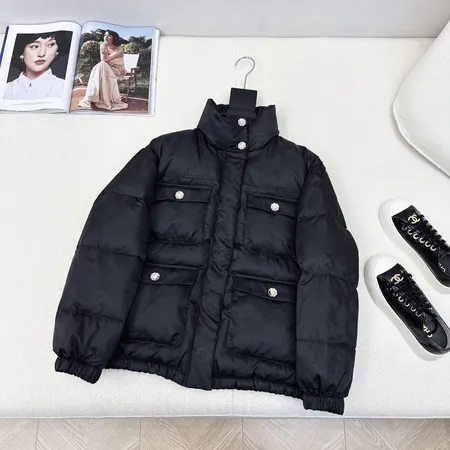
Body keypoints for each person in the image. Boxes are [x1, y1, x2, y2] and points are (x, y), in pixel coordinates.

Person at [4, 32, 66, 100]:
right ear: (22, 51)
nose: (42, 54)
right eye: (34, 46)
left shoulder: (65, 87)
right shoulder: (5, 89)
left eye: (50, 45)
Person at [78, 30, 129, 111]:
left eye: (109, 36)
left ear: (114, 38)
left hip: (117, 70)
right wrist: (103, 47)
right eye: (105, 35)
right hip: (106, 68)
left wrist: (104, 47)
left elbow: (104, 60)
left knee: (101, 65)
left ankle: (97, 96)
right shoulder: (103, 45)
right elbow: (103, 61)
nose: (106, 37)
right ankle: (96, 96)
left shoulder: (119, 49)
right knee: (101, 66)